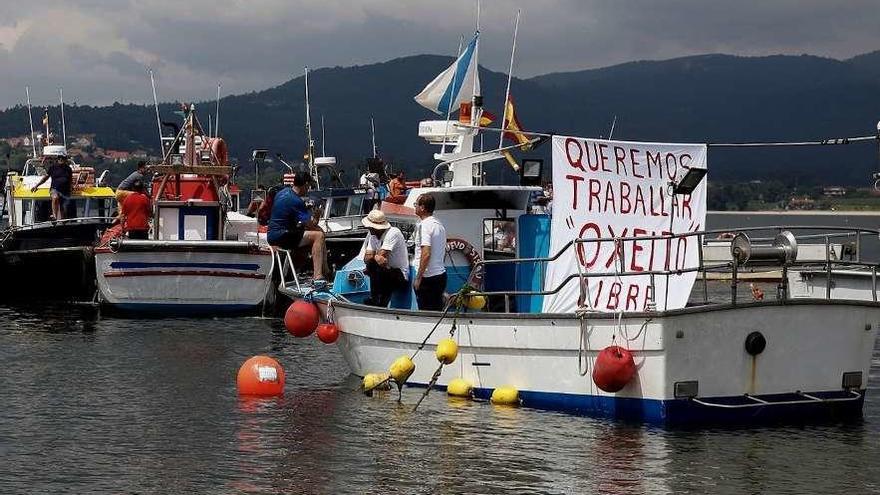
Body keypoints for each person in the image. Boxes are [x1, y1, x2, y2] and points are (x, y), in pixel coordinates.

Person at [267, 172, 327, 281]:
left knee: (310, 237)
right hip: (282, 235)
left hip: (273, 234)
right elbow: (312, 225)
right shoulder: (296, 201)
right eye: (309, 187)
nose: (308, 189)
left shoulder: (282, 193)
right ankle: (319, 275)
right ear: (305, 184)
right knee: (318, 235)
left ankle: (294, 271)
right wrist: (317, 215)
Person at [361, 209, 409, 307]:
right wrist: (375, 257)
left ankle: (378, 301)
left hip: (400, 275)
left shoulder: (393, 232)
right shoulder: (373, 236)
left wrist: (374, 257)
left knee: (375, 265)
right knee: (373, 264)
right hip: (387, 271)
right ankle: (376, 299)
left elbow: (381, 256)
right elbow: (367, 258)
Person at [412, 193, 447, 311]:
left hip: (428, 278)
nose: (414, 207)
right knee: (436, 311)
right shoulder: (439, 225)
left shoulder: (425, 226)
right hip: (440, 275)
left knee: (426, 311)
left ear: (422, 208)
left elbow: (426, 253)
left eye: (416, 204)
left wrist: (418, 278)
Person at [31, 151, 72, 220]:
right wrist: (36, 186)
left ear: (65, 159)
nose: (61, 159)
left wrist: (71, 189)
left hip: (65, 191)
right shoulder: (53, 168)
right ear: (58, 159)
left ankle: (62, 221)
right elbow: (45, 178)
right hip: (54, 189)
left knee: (63, 210)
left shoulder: (68, 169)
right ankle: (54, 216)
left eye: (63, 158)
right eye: (60, 158)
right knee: (55, 198)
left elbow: (70, 180)